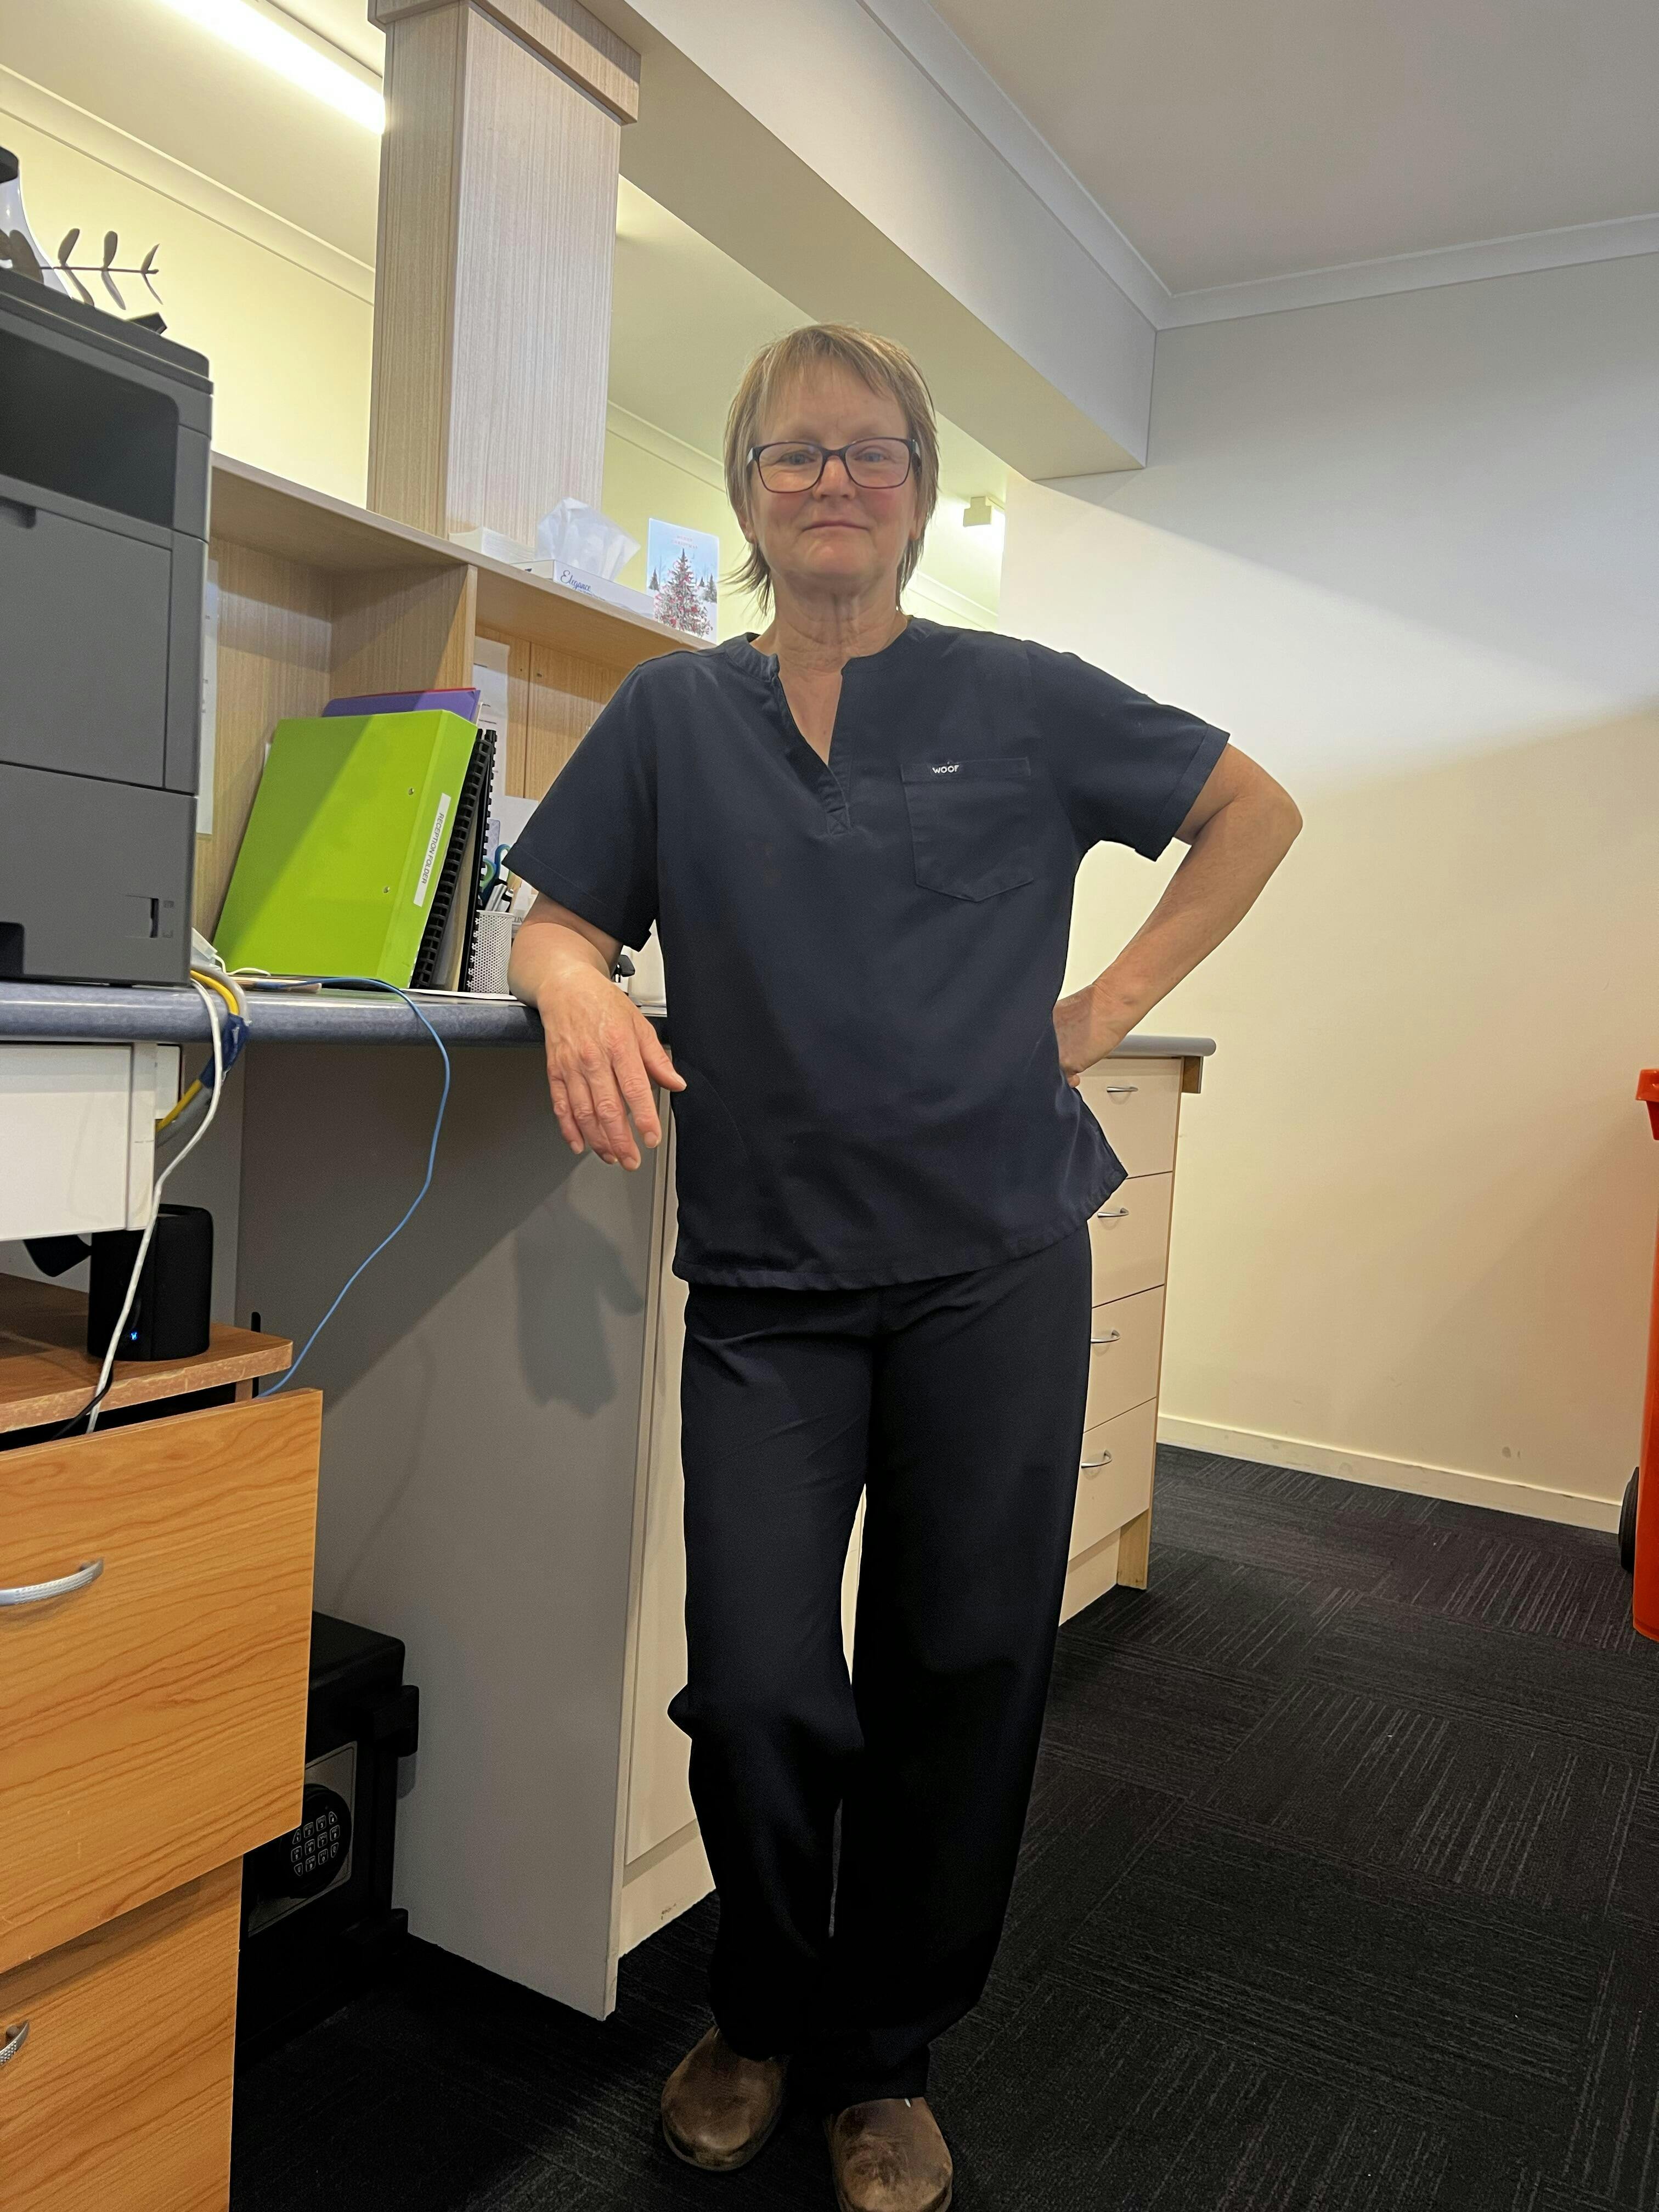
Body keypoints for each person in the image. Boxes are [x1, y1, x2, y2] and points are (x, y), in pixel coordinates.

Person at [506, 324, 1300, 2212]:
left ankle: (883, 2057)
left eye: (872, 452)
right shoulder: (672, 715)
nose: (834, 482)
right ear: (747, 492)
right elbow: (556, 918)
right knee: (759, 1685)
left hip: (991, 1264)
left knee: (962, 1667)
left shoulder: (1018, 694)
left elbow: (1250, 810)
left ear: (924, 494)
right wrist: (571, 990)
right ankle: (761, 2009)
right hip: (772, 1285)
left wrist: (1108, 1004)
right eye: (795, 453)